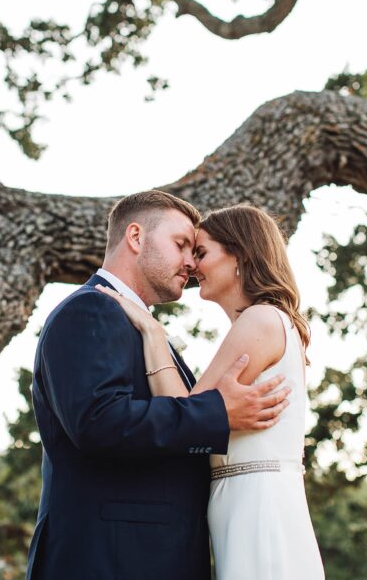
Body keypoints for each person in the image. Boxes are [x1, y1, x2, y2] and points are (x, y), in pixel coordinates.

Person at [26, 190, 292, 580]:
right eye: (181, 244)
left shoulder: (133, 322)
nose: (190, 262)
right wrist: (218, 412)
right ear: (136, 237)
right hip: (109, 559)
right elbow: (99, 422)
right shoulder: (91, 309)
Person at [97, 203, 325, 580]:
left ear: (239, 255)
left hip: (257, 503)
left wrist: (154, 335)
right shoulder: (268, 321)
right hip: (246, 498)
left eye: (200, 252)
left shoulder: (261, 319)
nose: (191, 265)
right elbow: (193, 416)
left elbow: (185, 415)